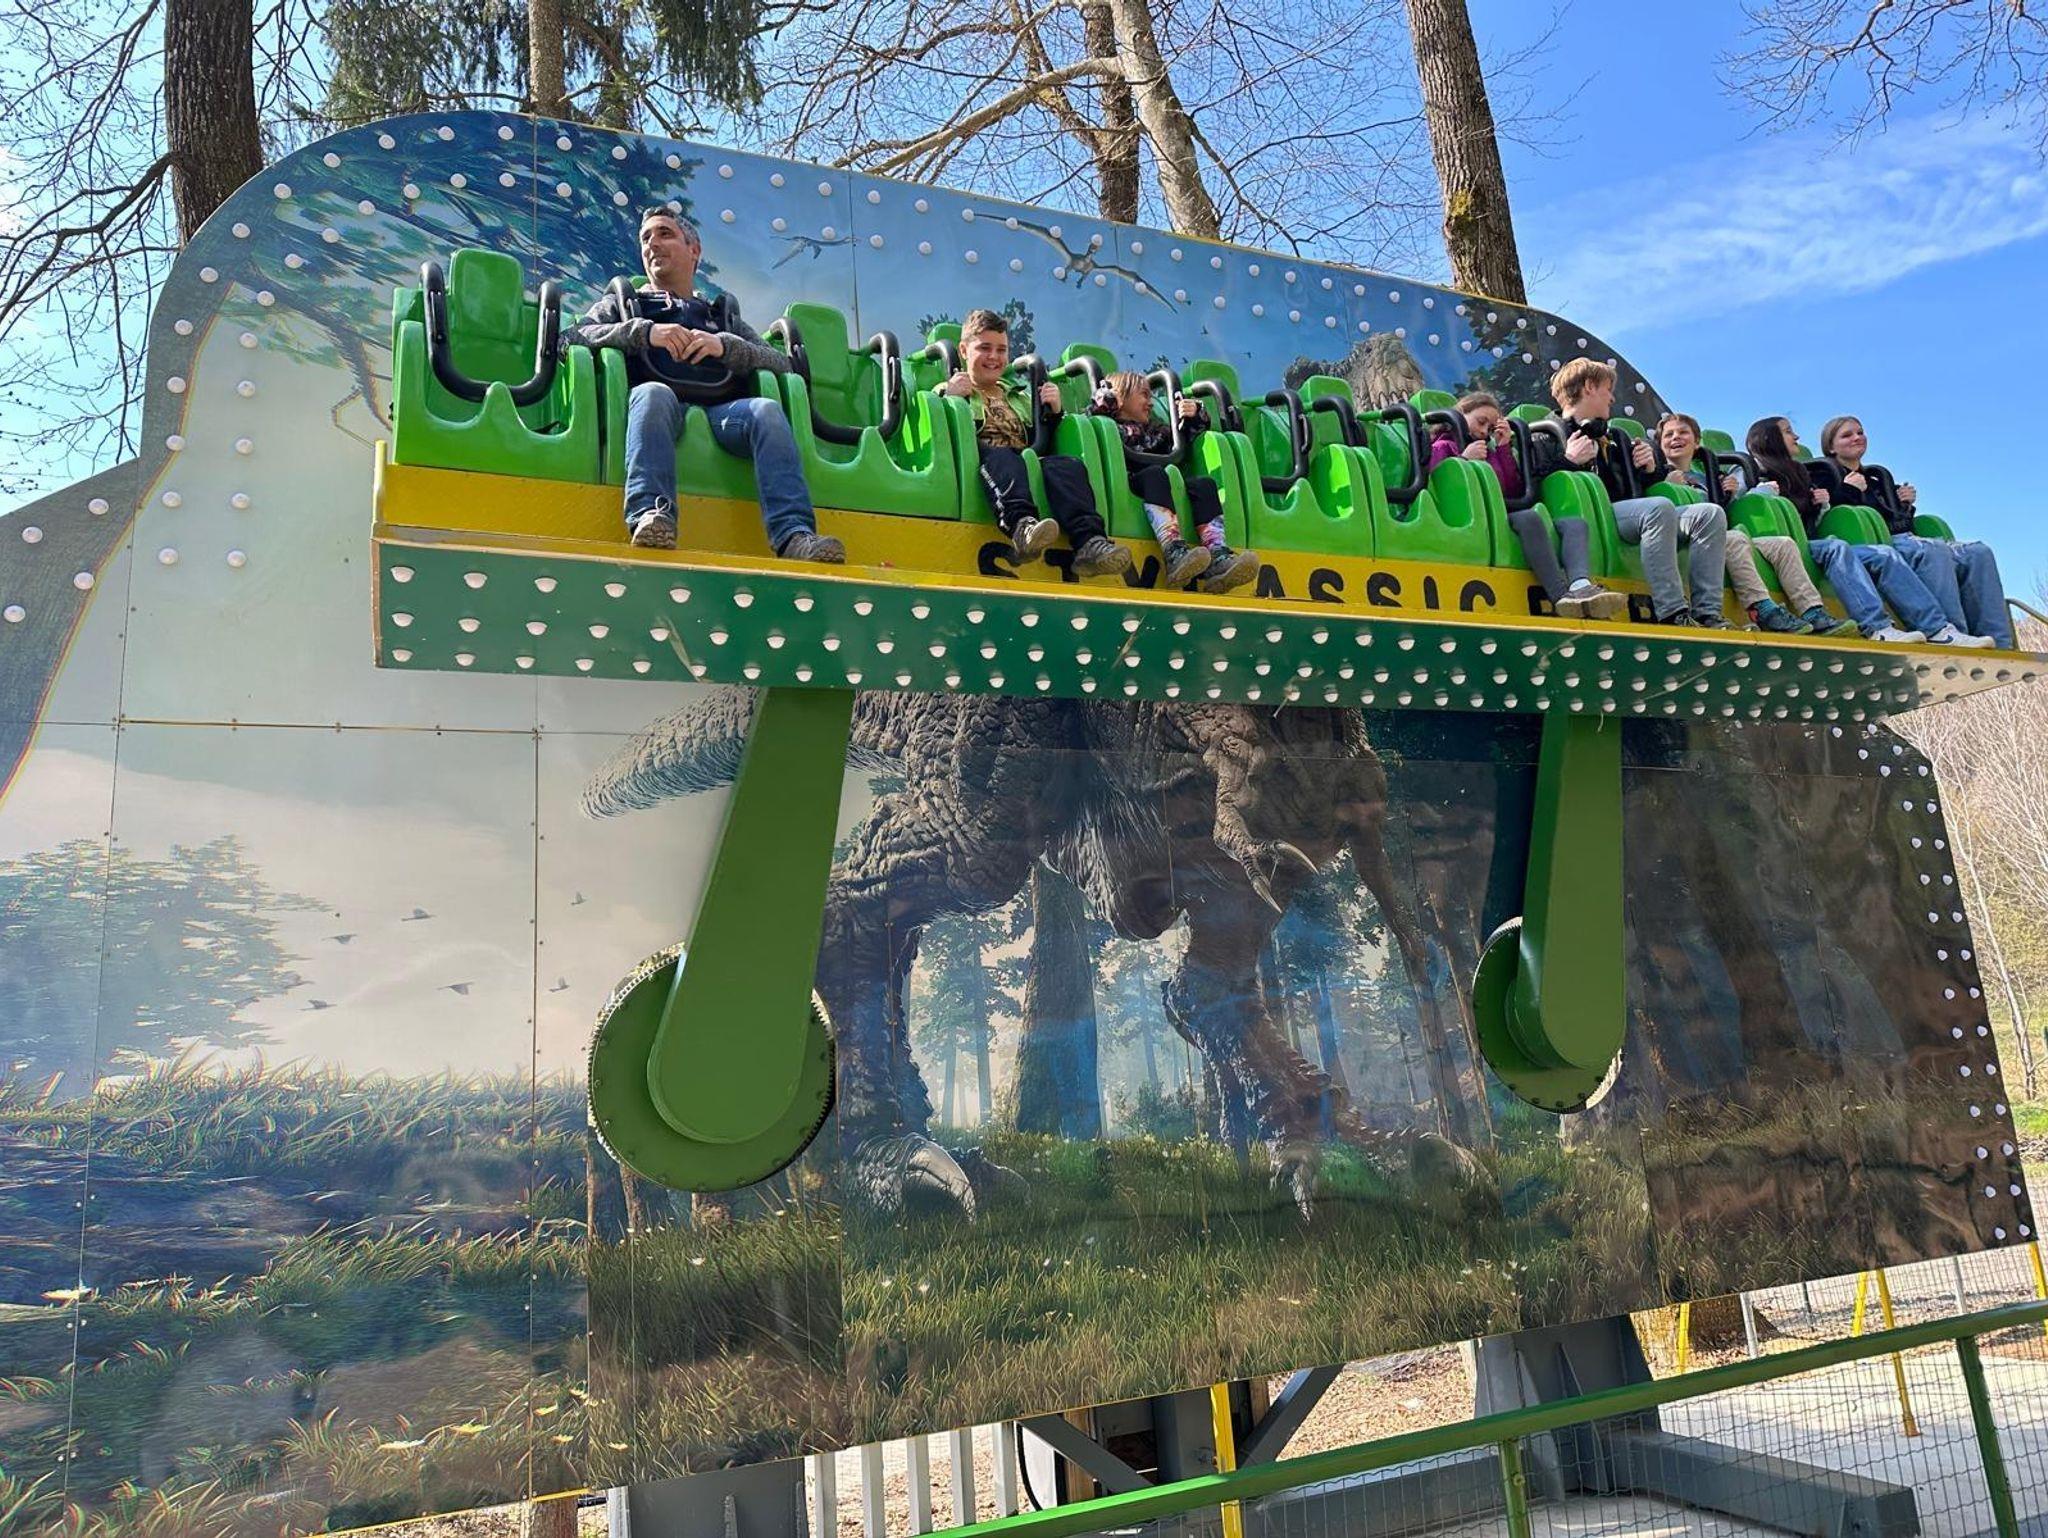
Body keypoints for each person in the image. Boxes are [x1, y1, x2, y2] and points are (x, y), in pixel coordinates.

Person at [561, 206, 842, 562]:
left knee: (766, 410)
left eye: (664, 234)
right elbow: (570, 338)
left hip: (722, 412)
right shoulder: (625, 303)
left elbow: (781, 363)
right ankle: (651, 515)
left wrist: (725, 346)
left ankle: (794, 536)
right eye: (645, 238)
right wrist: (646, 332)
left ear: (694, 250)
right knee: (652, 394)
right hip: (659, 403)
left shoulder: (719, 314)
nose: (652, 244)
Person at [1744, 417, 1991, 646]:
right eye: (1788, 432)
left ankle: (1939, 629)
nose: (1796, 436)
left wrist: (1821, 504)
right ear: (1770, 438)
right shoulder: (1754, 468)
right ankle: (1876, 626)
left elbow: (1816, 521)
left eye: (1860, 432)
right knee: (1837, 547)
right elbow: (1739, 503)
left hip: (1810, 540)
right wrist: (1760, 493)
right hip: (1786, 544)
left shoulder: (1800, 472)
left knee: (1885, 554)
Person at [1528, 360, 1730, 626]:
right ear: (1589, 387)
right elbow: (1534, 484)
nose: (1612, 398)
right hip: (1589, 517)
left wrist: (1649, 469)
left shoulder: (1615, 438)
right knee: (1657, 508)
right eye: (1608, 390)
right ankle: (1672, 612)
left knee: (1709, 514)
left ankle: (1707, 612)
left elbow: (1638, 490)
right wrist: (1568, 460)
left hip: (1629, 515)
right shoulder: (1544, 434)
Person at [936, 309, 1129, 577]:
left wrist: (1054, 411)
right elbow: (942, 432)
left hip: (1024, 457)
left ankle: (1090, 542)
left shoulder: (1018, 395)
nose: (994, 357)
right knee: (1003, 458)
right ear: (963, 350)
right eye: (984, 348)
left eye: (1001, 350)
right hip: (988, 460)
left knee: (1068, 466)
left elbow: (1043, 439)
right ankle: (1022, 527)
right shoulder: (948, 390)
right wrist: (951, 396)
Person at [1817, 416, 2014, 648]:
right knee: (1932, 550)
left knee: (1978, 552)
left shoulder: (1878, 478)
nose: (1857, 438)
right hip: (1876, 543)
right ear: (1831, 446)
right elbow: (1828, 517)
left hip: (1905, 537)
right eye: (1847, 435)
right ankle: (1950, 631)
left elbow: (1898, 521)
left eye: (1860, 432)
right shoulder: (1825, 475)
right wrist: (1848, 491)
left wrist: (1906, 505)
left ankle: (2000, 640)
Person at [1655, 412, 1855, 637]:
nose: (1676, 437)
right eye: (1668, 435)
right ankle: (1762, 609)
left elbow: (1727, 512)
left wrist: (1729, 494)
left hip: (1718, 535)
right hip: (1685, 538)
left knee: (1783, 544)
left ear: (1697, 441)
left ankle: (1812, 611)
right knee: (1735, 539)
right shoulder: (1658, 473)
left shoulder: (1709, 475)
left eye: (1683, 432)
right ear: (1660, 444)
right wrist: (1667, 482)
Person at [1429, 391, 1624, 619]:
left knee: (1575, 524)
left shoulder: (1491, 452)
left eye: (1490, 428)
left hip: (1503, 509)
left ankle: (1580, 585)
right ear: (1461, 414)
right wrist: (1463, 459)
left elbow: (1514, 488)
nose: (1483, 431)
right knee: (1529, 518)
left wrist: (1503, 448)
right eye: (1480, 422)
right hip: (1477, 514)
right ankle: (1560, 595)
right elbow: (1438, 483)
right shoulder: (1443, 446)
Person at [1088, 370, 1258, 592]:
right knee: (1155, 474)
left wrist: (1194, 414)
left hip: (1162, 484)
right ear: (1120, 397)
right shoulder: (1108, 425)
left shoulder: (1156, 430)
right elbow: (1092, 415)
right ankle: (1173, 552)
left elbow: (1188, 436)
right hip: (1132, 481)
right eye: (1144, 395)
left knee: (1204, 485)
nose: (1150, 402)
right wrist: (1107, 401)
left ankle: (1218, 555)